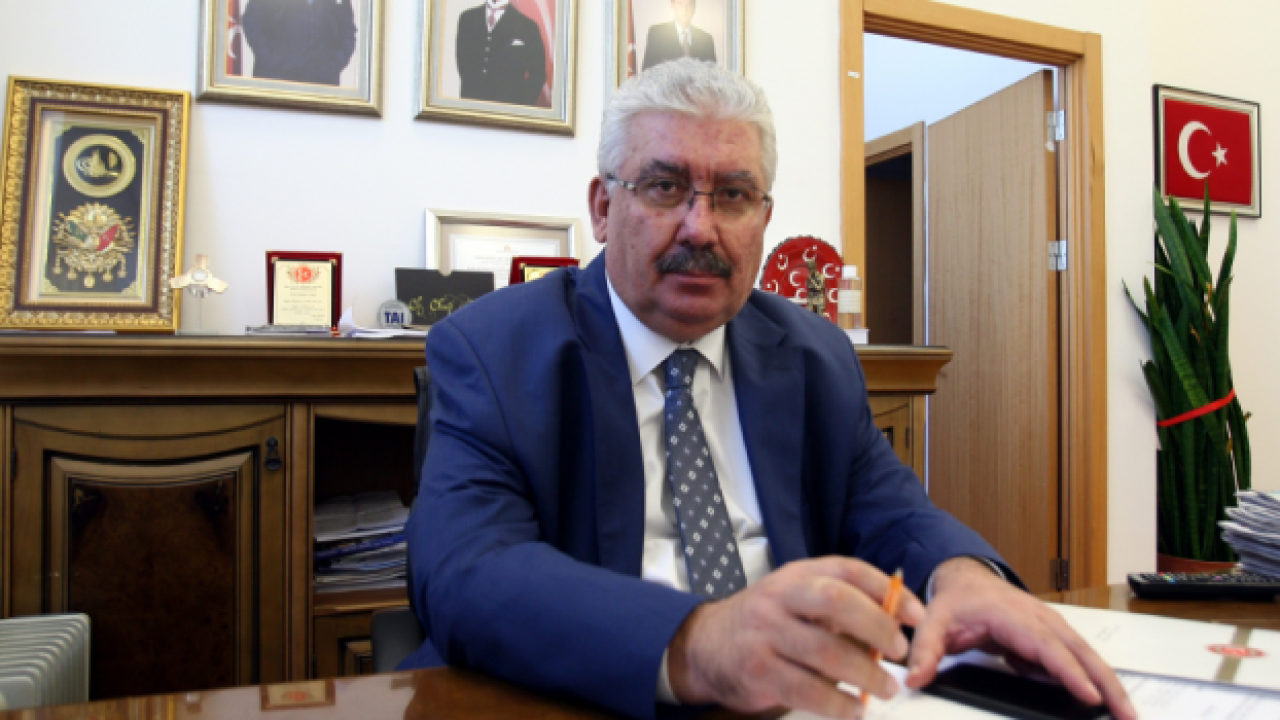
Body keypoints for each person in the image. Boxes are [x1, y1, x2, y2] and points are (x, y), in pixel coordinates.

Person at [402, 59, 1135, 720]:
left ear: (764, 219)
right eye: (664, 187)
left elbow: (890, 510)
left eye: (734, 195)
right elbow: (467, 572)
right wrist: (698, 641)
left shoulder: (814, 354)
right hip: (585, 696)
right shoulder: (493, 349)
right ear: (602, 207)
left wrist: (963, 576)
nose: (701, 228)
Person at [240, 0, 357, 86]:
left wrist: (333, 66)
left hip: (321, 84)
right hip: (276, 80)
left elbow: (348, 29)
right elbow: (251, 21)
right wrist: (272, 60)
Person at [455, 0, 547, 106]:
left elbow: (538, 73)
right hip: (471, 103)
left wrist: (522, 105)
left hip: (508, 105)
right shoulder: (467, 19)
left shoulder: (528, 26)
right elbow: (463, 62)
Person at [642, 0, 716, 72]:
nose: (685, 9)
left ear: (694, 7)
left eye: (689, 4)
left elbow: (713, 76)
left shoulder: (706, 40)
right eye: (680, 4)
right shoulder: (657, 34)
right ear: (672, 6)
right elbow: (647, 74)